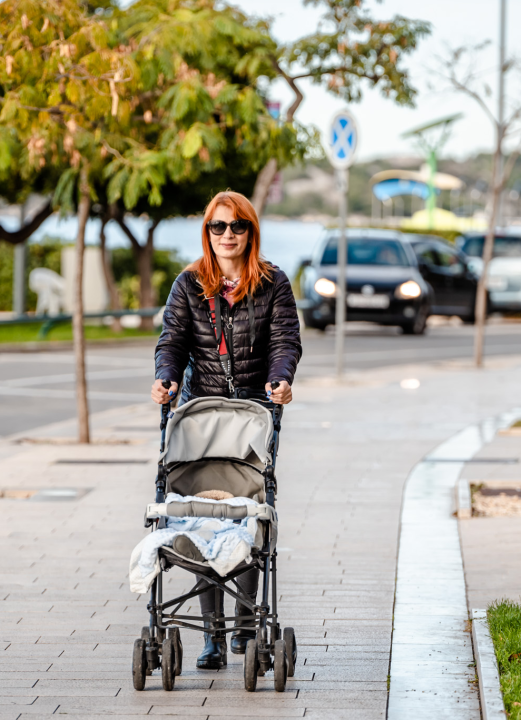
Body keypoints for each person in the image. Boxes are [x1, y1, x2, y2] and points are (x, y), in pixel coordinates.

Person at [151, 190, 302, 670]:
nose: (228, 235)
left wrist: (281, 380)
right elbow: (172, 340)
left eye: (237, 226)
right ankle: (212, 638)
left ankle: (245, 621)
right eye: (219, 227)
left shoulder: (273, 283)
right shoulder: (190, 283)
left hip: (254, 412)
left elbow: (285, 339)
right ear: (207, 232)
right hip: (204, 413)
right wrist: (165, 378)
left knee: (249, 511)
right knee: (205, 519)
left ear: (250, 232)